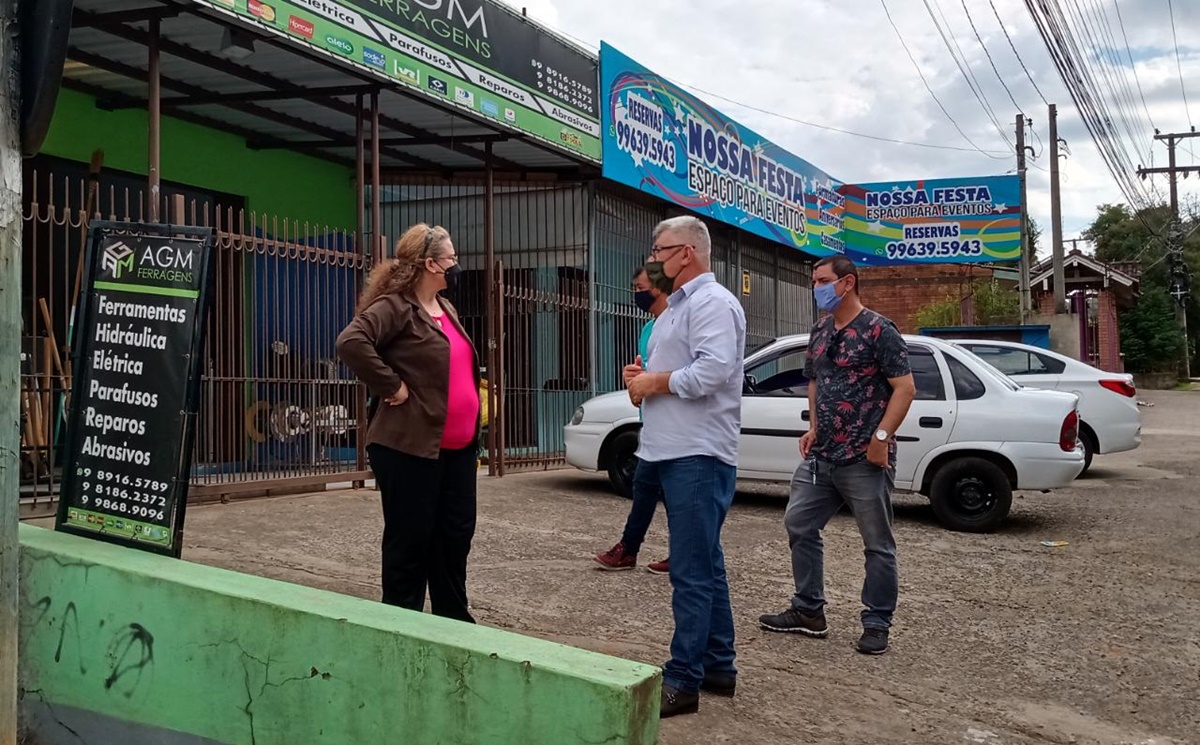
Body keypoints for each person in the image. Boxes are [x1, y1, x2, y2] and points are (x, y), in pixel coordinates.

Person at [758, 255, 915, 655]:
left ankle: (877, 622)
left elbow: (905, 389)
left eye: (823, 280)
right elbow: (815, 380)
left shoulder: (880, 330)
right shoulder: (821, 328)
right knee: (799, 524)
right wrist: (813, 426)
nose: (817, 288)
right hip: (822, 455)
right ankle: (809, 610)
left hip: (865, 458)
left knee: (877, 544)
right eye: (814, 281)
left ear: (847, 283)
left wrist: (882, 436)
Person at [624, 215, 746, 717]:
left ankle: (683, 679)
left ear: (687, 253)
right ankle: (718, 665)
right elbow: (673, 371)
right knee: (706, 564)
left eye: (661, 248)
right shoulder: (676, 307)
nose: (655, 256)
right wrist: (642, 375)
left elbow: (713, 370)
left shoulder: (714, 303)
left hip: (696, 452)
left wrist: (654, 383)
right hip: (667, 447)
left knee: (691, 572)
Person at [336, 223, 481, 623]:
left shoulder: (445, 308)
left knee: (454, 537)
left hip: (456, 451)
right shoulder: (397, 306)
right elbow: (351, 342)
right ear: (431, 264)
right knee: (411, 540)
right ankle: (402, 622)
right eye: (451, 258)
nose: (456, 265)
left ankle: (453, 618)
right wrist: (393, 385)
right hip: (410, 448)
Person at [594, 267, 671, 574]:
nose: (636, 294)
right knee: (644, 485)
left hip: (674, 425)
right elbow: (646, 374)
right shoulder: (647, 330)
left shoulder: (678, 323)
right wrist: (634, 382)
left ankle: (676, 551)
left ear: (658, 288)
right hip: (650, 421)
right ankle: (629, 549)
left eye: (640, 287)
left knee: (670, 492)